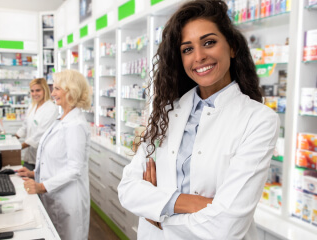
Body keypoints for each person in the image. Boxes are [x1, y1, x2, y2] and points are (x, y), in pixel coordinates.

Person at [117, 1, 280, 239]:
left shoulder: (259, 119)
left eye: (209, 42)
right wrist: (184, 202)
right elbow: (128, 189)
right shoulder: (167, 111)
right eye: (187, 49)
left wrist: (157, 213)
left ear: (232, 47)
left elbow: (226, 224)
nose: (199, 56)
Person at [17, 70, 91, 240]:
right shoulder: (62, 118)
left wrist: (42, 186)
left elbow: (75, 169)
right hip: (55, 196)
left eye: (57, 88)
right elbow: (53, 160)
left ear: (71, 91)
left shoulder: (75, 125)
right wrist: (33, 173)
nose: (53, 93)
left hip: (67, 200)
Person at [15, 78, 58, 170]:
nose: (34, 94)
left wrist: (18, 147)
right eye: (32, 91)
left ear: (44, 90)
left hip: (43, 159)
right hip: (29, 156)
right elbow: (25, 126)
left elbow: (40, 134)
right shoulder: (33, 105)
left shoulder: (51, 108)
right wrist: (13, 139)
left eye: (38, 90)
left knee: (36, 183)